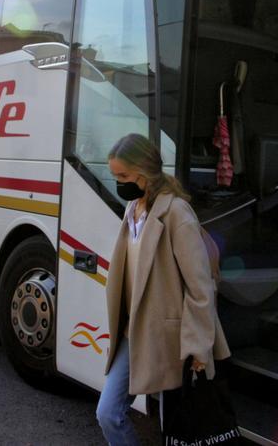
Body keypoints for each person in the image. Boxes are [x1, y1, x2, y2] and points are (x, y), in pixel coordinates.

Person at [96, 133, 231, 445]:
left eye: (124, 176)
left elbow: (200, 287)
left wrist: (198, 346)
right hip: (134, 333)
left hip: (172, 339)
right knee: (108, 413)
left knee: (173, 427)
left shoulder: (177, 213)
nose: (119, 182)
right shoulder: (133, 209)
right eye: (115, 175)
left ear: (144, 173)